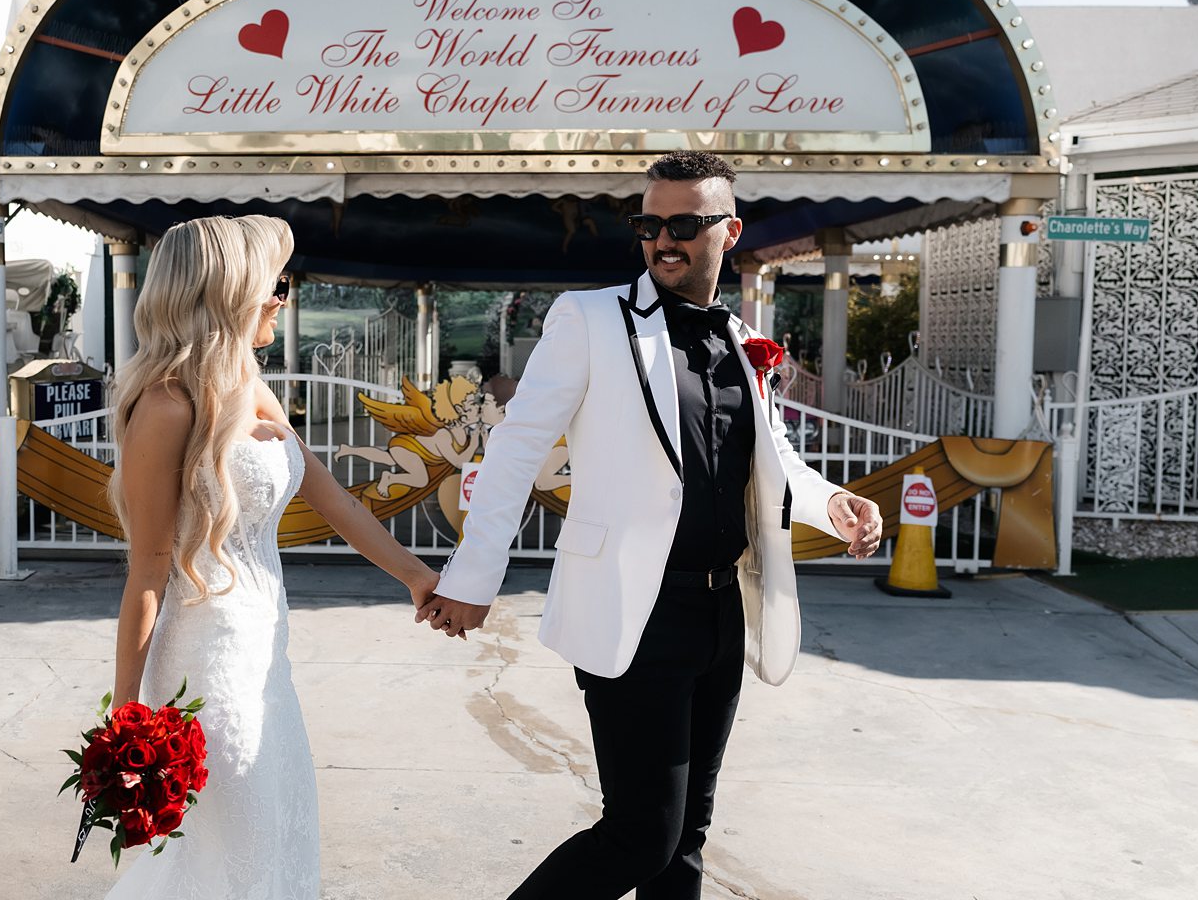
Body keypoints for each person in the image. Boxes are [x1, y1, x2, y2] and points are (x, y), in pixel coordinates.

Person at [418, 151, 884, 900]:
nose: (664, 240)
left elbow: (772, 456)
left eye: (685, 224)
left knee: (686, 837)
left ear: (729, 231)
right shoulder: (591, 319)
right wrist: (475, 578)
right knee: (640, 834)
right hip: (634, 611)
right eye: (650, 223)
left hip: (722, 610)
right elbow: (515, 449)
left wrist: (833, 500)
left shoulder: (740, 339)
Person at [103, 215, 439, 899]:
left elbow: (335, 501)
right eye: (272, 284)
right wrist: (126, 711)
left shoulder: (249, 384)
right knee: (232, 852)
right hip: (204, 665)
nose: (283, 297)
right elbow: (146, 572)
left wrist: (419, 577)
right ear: (224, 293)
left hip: (266, 659)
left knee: (281, 834)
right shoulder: (165, 409)